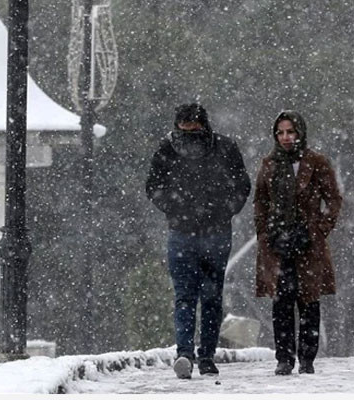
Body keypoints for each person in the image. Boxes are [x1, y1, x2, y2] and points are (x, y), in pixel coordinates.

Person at [146, 103, 251, 379]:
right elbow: (153, 186)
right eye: (185, 128)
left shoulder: (224, 149)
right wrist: (177, 208)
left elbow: (241, 185)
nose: (189, 134)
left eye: (193, 128)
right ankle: (189, 354)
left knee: (206, 296)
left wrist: (223, 209)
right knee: (191, 296)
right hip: (186, 232)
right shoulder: (169, 149)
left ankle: (201, 354)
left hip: (209, 232)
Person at [254, 110, 341, 375]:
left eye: (290, 131)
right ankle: (284, 358)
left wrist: (318, 229)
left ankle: (307, 359)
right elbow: (261, 201)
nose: (285, 137)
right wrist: (266, 232)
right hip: (277, 244)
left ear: (300, 132)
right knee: (281, 302)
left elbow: (334, 200)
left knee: (308, 301)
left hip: (308, 244)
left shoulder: (316, 161)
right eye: (280, 132)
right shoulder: (269, 163)